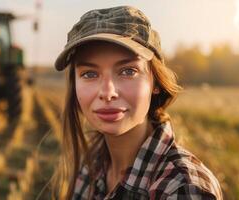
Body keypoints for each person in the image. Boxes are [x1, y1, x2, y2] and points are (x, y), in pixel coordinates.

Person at [53, 5, 223, 200]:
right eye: (90, 74)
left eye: (128, 71)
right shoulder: (91, 165)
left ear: (155, 82)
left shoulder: (183, 188)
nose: (108, 93)